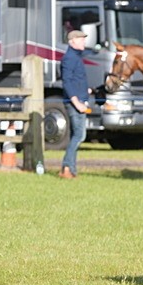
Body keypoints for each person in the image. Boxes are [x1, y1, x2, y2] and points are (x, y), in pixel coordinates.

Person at [60, 29, 91, 178]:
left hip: (80, 99)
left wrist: (88, 90)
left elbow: (76, 80)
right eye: (81, 39)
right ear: (72, 42)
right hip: (75, 103)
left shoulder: (76, 57)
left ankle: (71, 169)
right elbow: (67, 81)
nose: (84, 41)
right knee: (80, 135)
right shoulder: (70, 58)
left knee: (76, 135)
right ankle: (66, 166)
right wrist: (76, 102)